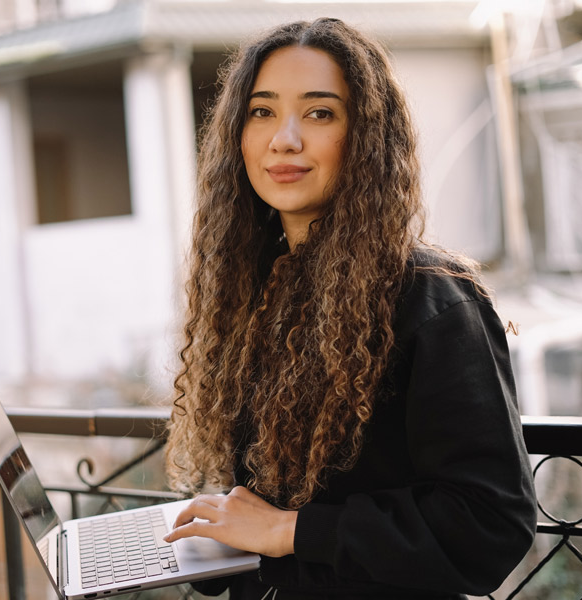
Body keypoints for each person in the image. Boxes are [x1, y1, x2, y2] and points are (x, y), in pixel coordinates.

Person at [161, 17, 538, 600]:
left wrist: (289, 531)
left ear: (364, 135)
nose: (284, 139)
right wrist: (228, 533)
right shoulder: (253, 291)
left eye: (319, 113)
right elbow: (278, 513)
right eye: (262, 111)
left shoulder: (433, 297)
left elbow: (488, 525)